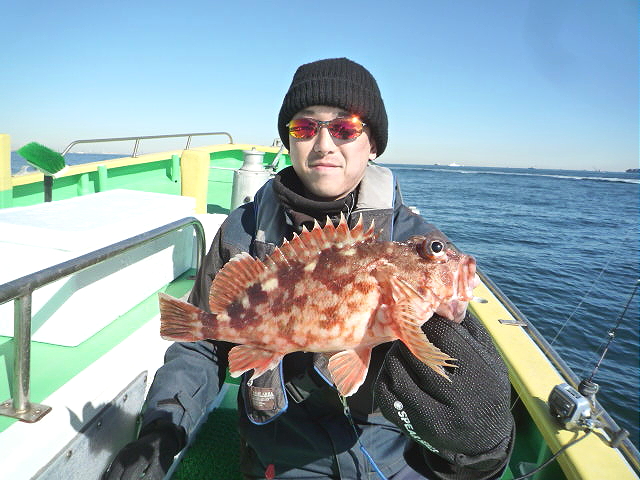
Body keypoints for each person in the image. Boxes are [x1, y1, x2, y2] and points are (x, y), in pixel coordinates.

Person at [103, 57, 514, 480]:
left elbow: (453, 358)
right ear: (289, 140)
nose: (324, 144)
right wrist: (163, 428)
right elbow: (202, 345)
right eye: (304, 127)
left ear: (373, 143)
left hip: (395, 455)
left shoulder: (414, 240)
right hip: (281, 454)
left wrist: (479, 451)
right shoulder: (243, 232)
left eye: (345, 128)